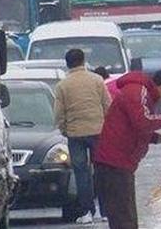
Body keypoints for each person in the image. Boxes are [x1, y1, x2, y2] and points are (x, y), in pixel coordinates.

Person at [94, 70, 161, 229]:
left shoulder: (144, 95)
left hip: (121, 162)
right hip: (114, 161)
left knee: (125, 214)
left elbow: (135, 128)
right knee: (123, 216)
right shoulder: (137, 91)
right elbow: (142, 122)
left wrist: (156, 138)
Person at [54, 49, 112, 224]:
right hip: (98, 131)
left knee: (81, 174)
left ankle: (86, 211)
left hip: (75, 133)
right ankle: (103, 211)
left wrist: (65, 129)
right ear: (83, 61)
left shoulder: (62, 85)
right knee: (101, 171)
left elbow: (59, 113)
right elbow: (107, 104)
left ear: (67, 64)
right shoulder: (97, 80)